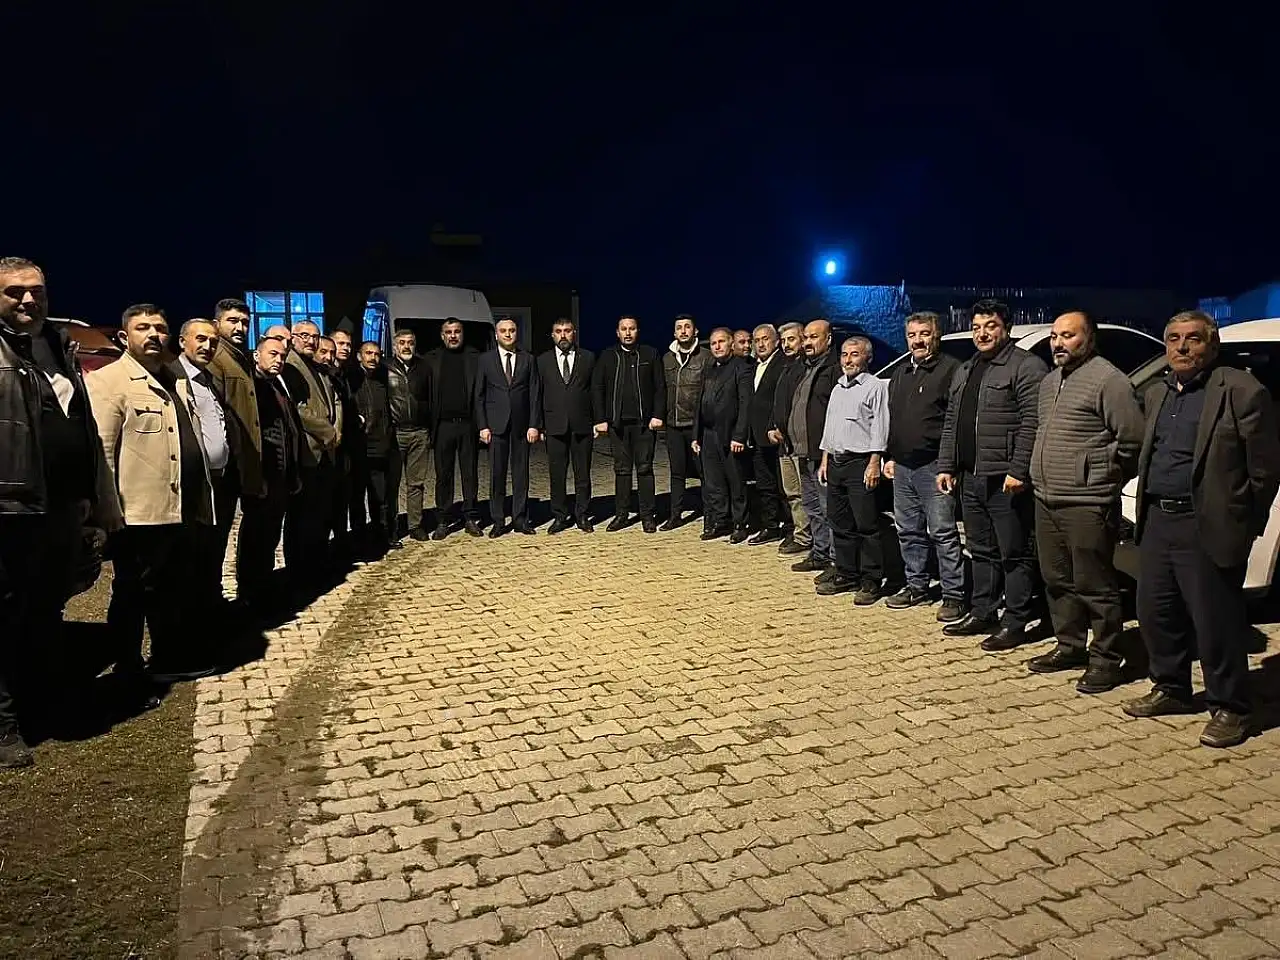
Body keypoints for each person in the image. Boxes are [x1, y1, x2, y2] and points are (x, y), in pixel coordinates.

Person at [1124, 310, 1280, 748]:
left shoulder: (1241, 391)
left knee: (1216, 622)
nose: (1181, 347)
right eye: (1173, 338)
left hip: (1206, 524)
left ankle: (1232, 707)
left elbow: (1264, 470)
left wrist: (1243, 524)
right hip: (1158, 520)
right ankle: (1171, 687)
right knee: (1157, 612)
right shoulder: (1158, 393)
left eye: (1192, 338)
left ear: (1212, 344)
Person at [0, 257, 101, 769]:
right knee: (4, 615)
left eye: (36, 290)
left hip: (60, 506)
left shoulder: (58, 345)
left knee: (47, 605)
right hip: (9, 508)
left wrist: (88, 494)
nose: (28, 300)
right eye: (14, 291)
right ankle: (4, 724)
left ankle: (42, 700)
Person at [88, 304, 215, 688]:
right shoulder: (109, 381)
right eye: (143, 328)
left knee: (169, 589)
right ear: (124, 337)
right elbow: (102, 450)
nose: (153, 335)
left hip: (177, 506)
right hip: (138, 512)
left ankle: (167, 657)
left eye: (159, 328)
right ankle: (128, 667)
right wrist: (108, 506)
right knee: (133, 591)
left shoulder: (174, 380)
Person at [1028, 311, 1144, 694]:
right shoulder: (1050, 382)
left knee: (1095, 584)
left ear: (1089, 339)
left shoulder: (1110, 381)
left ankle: (1106, 660)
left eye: (1068, 335)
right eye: (1054, 336)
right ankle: (1069, 646)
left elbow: (1132, 440)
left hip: (1087, 502)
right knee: (1057, 580)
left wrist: (1102, 476)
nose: (1058, 343)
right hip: (1046, 498)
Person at [937, 299, 1048, 649]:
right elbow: (952, 421)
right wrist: (946, 464)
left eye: (990, 326)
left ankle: (1015, 621)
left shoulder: (1026, 366)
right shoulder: (967, 368)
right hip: (972, 476)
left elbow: (1033, 422)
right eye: (976, 327)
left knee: (1014, 553)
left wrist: (1019, 470)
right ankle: (982, 611)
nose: (982, 334)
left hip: (1006, 480)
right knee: (981, 549)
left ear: (1007, 328)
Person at [882, 312, 966, 621]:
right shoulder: (902, 372)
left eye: (924, 334)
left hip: (935, 467)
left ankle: (954, 594)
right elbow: (894, 419)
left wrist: (948, 466)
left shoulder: (952, 370)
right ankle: (916, 585)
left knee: (943, 532)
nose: (917, 340)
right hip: (903, 467)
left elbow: (955, 423)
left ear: (936, 336)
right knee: (908, 531)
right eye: (912, 335)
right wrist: (890, 456)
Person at [817, 336, 890, 604]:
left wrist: (874, 461)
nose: (848, 360)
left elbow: (880, 426)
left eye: (854, 354)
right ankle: (847, 573)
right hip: (836, 462)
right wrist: (825, 459)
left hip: (861, 463)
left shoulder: (874, 387)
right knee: (840, 522)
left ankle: (871, 579)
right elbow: (830, 427)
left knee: (866, 524)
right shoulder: (838, 388)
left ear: (867, 358)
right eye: (845, 354)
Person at [774, 320, 841, 580]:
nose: (809, 342)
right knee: (812, 507)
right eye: (807, 337)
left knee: (828, 509)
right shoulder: (805, 367)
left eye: (815, 337)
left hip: (822, 453)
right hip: (801, 451)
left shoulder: (833, 368)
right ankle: (820, 552)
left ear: (828, 339)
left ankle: (836, 560)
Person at [206, 298, 263, 603]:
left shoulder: (238, 358)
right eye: (233, 321)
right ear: (217, 323)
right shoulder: (216, 359)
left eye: (244, 322)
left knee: (229, 532)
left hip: (241, 462)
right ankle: (212, 600)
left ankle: (235, 593)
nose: (240, 327)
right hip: (225, 466)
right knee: (215, 538)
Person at [237, 336, 301, 607]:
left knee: (271, 534)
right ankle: (249, 592)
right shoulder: (252, 386)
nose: (279, 360)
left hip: (281, 474)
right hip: (262, 474)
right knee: (254, 536)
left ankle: (263, 585)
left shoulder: (276, 385)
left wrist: (292, 472)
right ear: (256, 355)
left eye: (282, 356)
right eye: (273, 354)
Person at [175, 319, 231, 616]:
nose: (208, 346)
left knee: (211, 550)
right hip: (191, 484)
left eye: (213, 342)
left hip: (217, 480)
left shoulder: (208, 379)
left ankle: (208, 608)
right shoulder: (172, 377)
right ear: (182, 341)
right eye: (201, 339)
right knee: (191, 556)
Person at [592, 316, 667, 533]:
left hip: (644, 424)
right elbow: (597, 388)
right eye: (623, 329)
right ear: (617, 332)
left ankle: (647, 516)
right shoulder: (608, 356)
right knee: (622, 470)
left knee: (644, 469)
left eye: (631, 329)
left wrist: (658, 415)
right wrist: (600, 419)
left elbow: (660, 387)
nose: (627, 333)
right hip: (617, 425)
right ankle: (622, 514)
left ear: (637, 331)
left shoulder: (650, 354)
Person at [282, 320, 341, 580]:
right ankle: (298, 571)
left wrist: (334, 429)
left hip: (322, 451)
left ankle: (313, 564)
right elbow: (299, 409)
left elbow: (331, 403)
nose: (310, 340)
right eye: (304, 335)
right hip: (308, 449)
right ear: (293, 337)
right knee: (301, 516)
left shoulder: (314, 366)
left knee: (317, 513)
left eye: (314, 336)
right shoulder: (291, 365)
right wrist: (329, 432)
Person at [475, 318, 541, 536]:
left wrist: (534, 425)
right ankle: (498, 520)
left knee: (521, 474)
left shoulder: (528, 359)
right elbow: (479, 395)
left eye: (512, 330)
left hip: (522, 426)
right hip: (496, 426)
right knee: (497, 474)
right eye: (503, 331)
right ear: (496, 335)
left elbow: (534, 394)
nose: (508, 334)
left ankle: (520, 518)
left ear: (516, 333)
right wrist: (483, 426)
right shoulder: (485, 360)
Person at [537, 317, 597, 533]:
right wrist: (539, 424)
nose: (563, 335)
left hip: (582, 425)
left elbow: (595, 391)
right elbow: (538, 394)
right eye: (558, 331)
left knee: (583, 475)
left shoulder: (588, 358)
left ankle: (582, 514)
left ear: (574, 333)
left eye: (567, 331)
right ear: (552, 335)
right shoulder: (542, 361)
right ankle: (560, 516)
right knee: (557, 475)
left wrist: (598, 421)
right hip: (554, 426)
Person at [692, 328, 752, 541]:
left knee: (735, 481)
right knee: (714, 481)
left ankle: (740, 523)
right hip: (708, 434)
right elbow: (700, 403)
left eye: (721, 342)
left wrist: (740, 435)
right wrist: (696, 435)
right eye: (713, 343)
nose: (717, 346)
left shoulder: (741, 368)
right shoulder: (709, 369)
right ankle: (721, 521)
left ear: (731, 344)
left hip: (729, 434)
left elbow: (745, 404)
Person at [425, 318, 482, 539]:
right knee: (443, 475)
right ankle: (443, 520)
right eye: (448, 332)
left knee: (470, 474)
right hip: (443, 426)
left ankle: (470, 517)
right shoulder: (431, 359)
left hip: (468, 425)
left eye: (457, 331)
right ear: (442, 335)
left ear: (462, 334)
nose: (453, 336)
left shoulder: (474, 357)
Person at [660, 314, 711, 529]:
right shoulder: (667, 358)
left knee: (705, 473)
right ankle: (675, 515)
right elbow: (662, 390)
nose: (683, 331)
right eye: (679, 327)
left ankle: (711, 517)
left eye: (687, 327)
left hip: (696, 425)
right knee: (677, 473)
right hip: (673, 425)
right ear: (674, 333)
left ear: (695, 331)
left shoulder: (706, 357)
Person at [354, 341, 401, 552]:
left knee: (384, 496)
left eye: (376, 354)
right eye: (368, 353)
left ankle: (385, 534)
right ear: (359, 356)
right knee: (365, 497)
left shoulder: (383, 379)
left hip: (384, 446)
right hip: (363, 446)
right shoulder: (353, 380)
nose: (372, 358)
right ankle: (366, 537)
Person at [387, 328, 432, 540]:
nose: (406, 346)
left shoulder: (424, 368)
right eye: (402, 342)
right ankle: (391, 527)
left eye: (410, 343)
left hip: (419, 433)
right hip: (395, 434)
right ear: (395, 345)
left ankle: (415, 525)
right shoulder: (385, 368)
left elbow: (431, 397)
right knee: (392, 483)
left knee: (416, 483)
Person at [770, 322, 810, 554]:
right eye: (783, 340)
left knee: (807, 493)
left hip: (800, 442)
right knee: (792, 492)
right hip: (784, 442)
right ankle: (801, 534)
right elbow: (777, 402)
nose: (786, 345)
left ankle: (812, 539)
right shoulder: (785, 368)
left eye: (791, 339)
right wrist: (773, 426)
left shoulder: (806, 368)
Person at [747, 324, 787, 545]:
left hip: (776, 435)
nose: (761, 344)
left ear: (776, 341)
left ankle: (789, 528)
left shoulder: (783, 364)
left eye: (765, 339)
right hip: (758, 436)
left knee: (784, 486)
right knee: (765, 485)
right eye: (757, 340)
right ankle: (770, 526)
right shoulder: (754, 366)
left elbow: (780, 400)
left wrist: (775, 425)